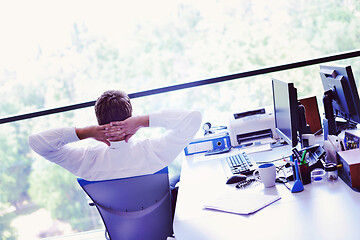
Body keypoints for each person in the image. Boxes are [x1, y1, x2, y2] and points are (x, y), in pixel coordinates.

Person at [28, 90, 202, 181]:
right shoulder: (153, 151)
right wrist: (142, 121)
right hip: (160, 224)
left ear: (98, 122)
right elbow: (193, 118)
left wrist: (85, 133)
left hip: (119, 231)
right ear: (131, 117)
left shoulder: (87, 161)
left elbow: (36, 142)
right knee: (180, 178)